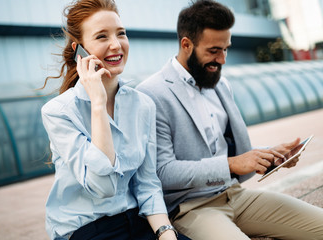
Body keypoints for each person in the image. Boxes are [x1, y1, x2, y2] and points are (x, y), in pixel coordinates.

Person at [136, 0, 323, 239]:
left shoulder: (220, 84)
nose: (222, 59)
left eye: (226, 49)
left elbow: (231, 156)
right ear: (186, 44)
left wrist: (269, 156)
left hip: (236, 195)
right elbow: (162, 172)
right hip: (191, 209)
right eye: (214, 51)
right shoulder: (151, 94)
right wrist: (231, 164)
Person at [40, 0, 190, 239]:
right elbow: (104, 187)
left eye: (121, 33)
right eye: (101, 37)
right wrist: (98, 104)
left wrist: (165, 232)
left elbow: (147, 183)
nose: (115, 45)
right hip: (88, 229)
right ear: (80, 50)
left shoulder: (143, 105)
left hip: (137, 219)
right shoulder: (58, 112)